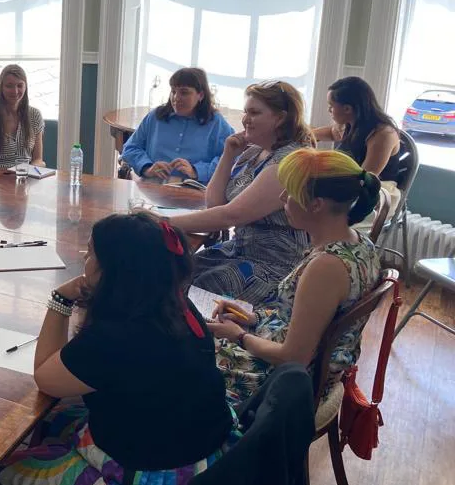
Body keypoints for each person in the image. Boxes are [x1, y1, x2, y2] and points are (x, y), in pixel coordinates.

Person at [0, 213, 238, 485]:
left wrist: (60, 300)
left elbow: (46, 377)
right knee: (58, 420)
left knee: (1, 475)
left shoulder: (116, 337)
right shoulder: (174, 305)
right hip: (205, 462)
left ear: (115, 272)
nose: (85, 260)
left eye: (91, 253)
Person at [208, 149, 383, 406]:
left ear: (316, 204)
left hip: (284, 383)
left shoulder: (326, 267)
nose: (282, 198)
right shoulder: (359, 244)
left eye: (289, 192)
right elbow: (308, 321)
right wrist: (250, 317)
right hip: (298, 366)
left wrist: (239, 335)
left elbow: (294, 357)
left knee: (184, 356)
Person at [167, 81, 313, 307]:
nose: (246, 119)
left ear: (281, 118)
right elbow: (215, 204)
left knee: (198, 290)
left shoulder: (288, 162)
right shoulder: (254, 152)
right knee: (175, 273)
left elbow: (230, 216)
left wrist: (163, 222)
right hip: (240, 251)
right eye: (246, 112)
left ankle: (198, 339)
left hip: (275, 266)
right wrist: (228, 155)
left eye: (254, 113)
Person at [121, 67, 235, 184]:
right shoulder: (155, 117)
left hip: (194, 190)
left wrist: (196, 171)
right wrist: (147, 167)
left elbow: (231, 158)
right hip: (153, 188)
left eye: (184, 92)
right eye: (173, 91)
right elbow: (130, 148)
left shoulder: (216, 122)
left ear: (200, 95)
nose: (176, 98)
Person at [313, 76, 402, 217]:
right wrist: (305, 135)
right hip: (350, 183)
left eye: (331, 105)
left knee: (311, 202)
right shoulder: (350, 123)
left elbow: (365, 177)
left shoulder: (383, 134)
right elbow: (331, 132)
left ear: (347, 109)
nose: (329, 110)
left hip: (375, 193)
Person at [0, 64, 45, 173]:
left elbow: (39, 160)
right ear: (1, 88)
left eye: (20, 85)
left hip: (28, 181)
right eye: (9, 86)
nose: (15, 91)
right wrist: (15, 172)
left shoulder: (35, 116)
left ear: (25, 87)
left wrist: (28, 170)